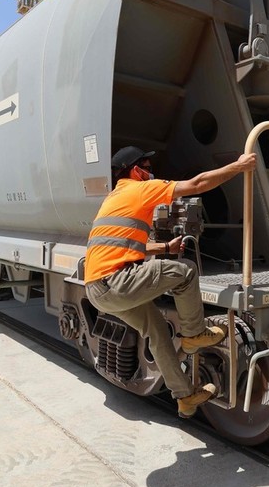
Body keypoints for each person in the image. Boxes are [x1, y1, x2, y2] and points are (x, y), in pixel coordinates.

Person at [84, 145, 257, 418]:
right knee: (186, 272)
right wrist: (239, 166)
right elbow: (197, 184)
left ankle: (185, 397)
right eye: (147, 166)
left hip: (97, 289)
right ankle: (194, 333)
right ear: (135, 169)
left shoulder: (113, 198)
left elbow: (125, 245)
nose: (152, 172)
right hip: (115, 282)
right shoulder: (139, 189)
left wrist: (165, 249)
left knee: (156, 331)